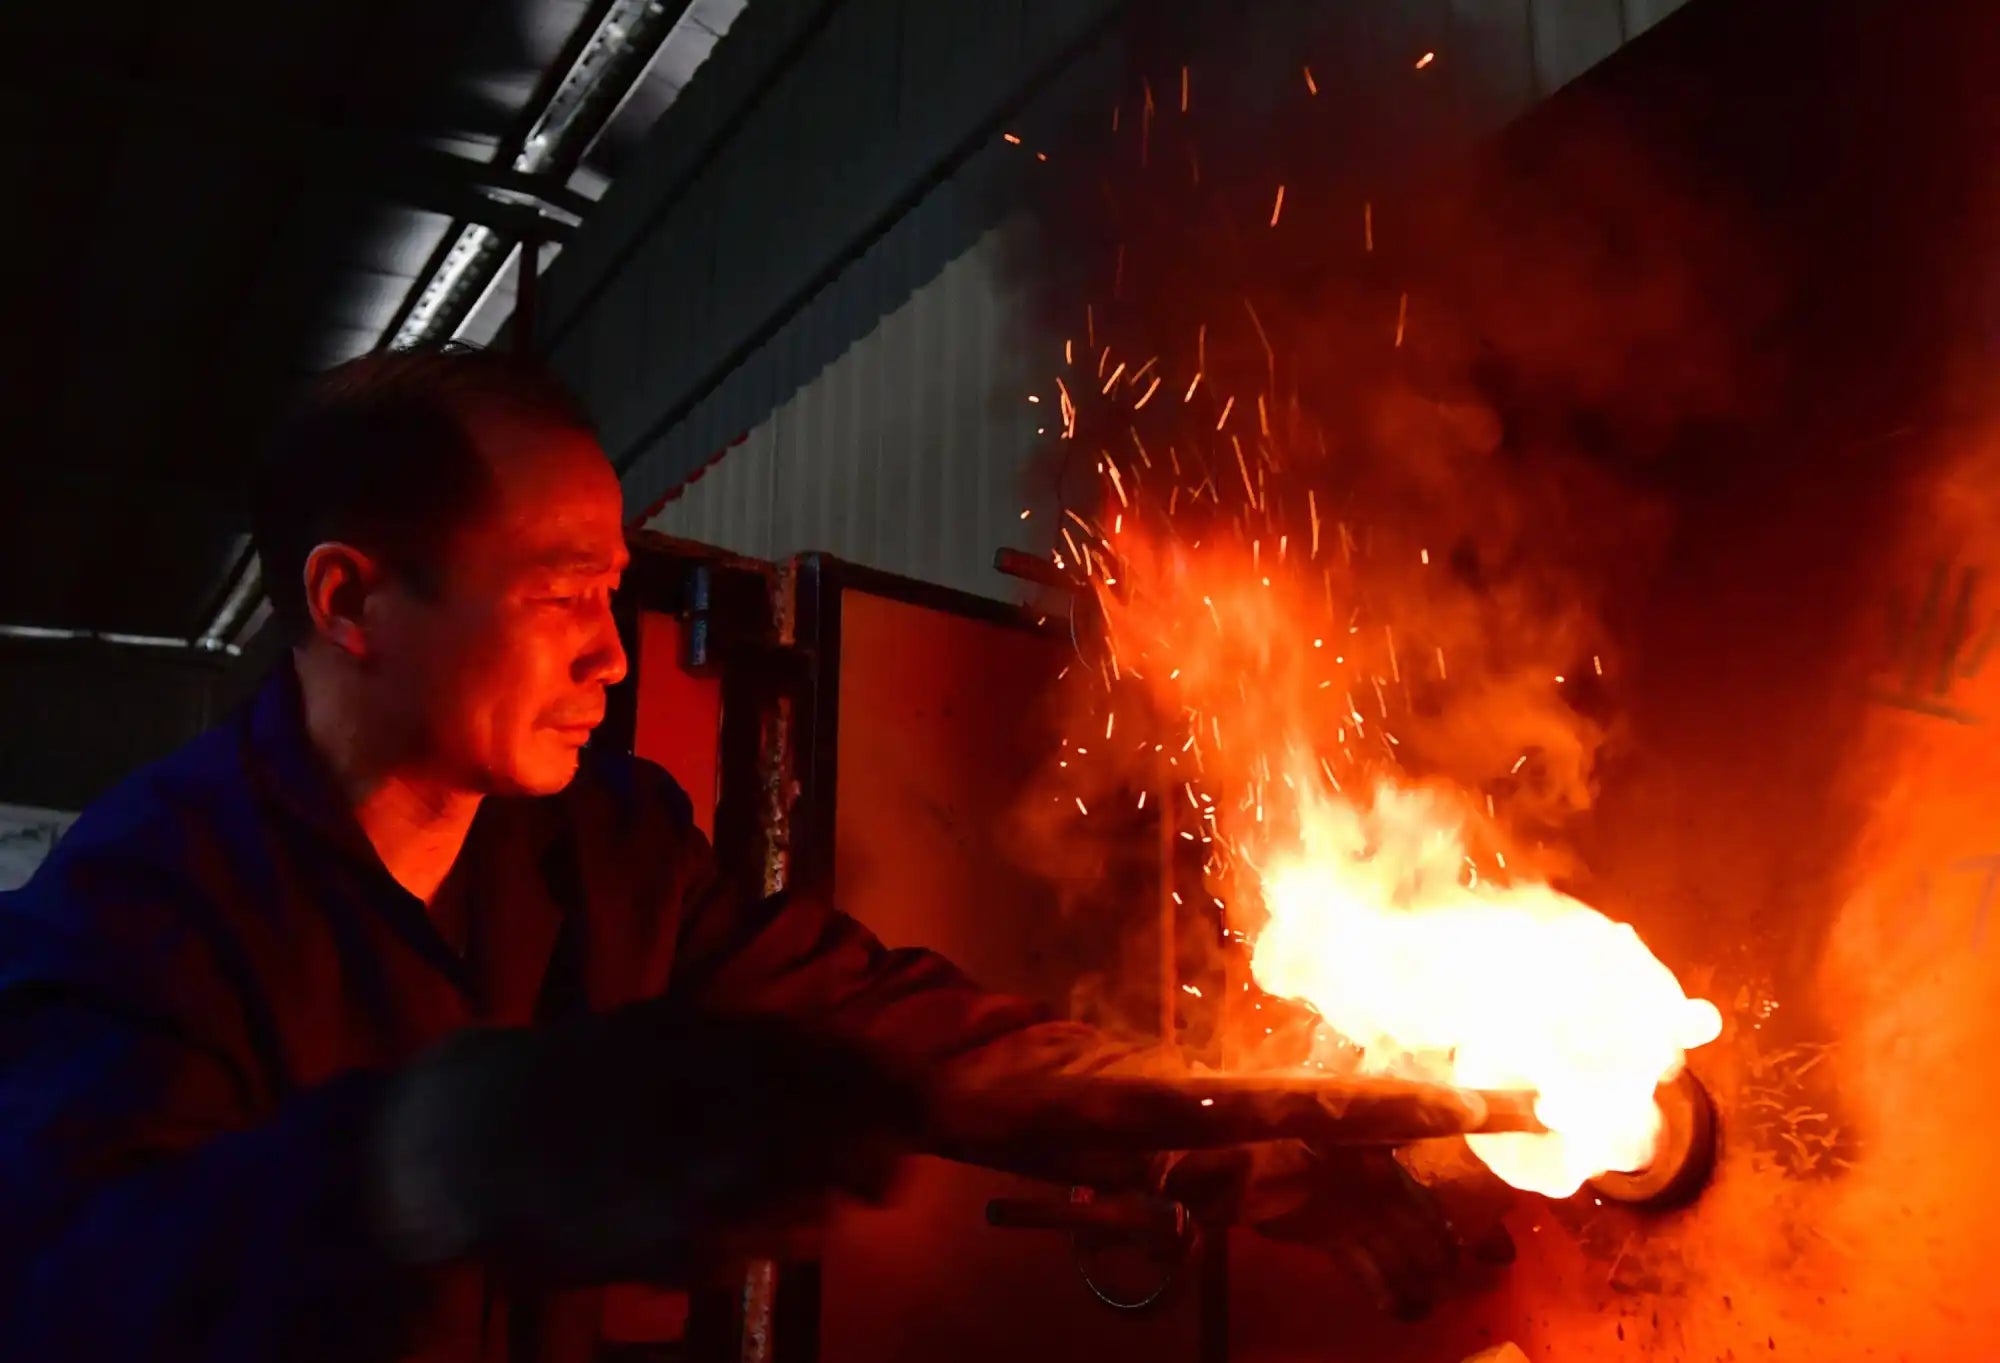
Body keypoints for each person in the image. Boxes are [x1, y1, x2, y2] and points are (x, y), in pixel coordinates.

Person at [0, 346, 1466, 1362]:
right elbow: (70, 1296)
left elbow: (901, 1032)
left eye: (616, 594)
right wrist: (418, 1159)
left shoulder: (601, 852)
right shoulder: (143, 910)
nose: (605, 655)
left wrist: (1229, 1129)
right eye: (561, 595)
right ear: (353, 602)